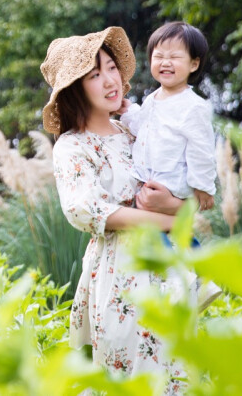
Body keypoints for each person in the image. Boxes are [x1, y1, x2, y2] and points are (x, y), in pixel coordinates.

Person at [42, 27, 187, 393]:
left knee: (180, 376)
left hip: (166, 270)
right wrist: (164, 220)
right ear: (76, 88)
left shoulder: (133, 132)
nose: (110, 80)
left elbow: (179, 188)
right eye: (94, 74)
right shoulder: (72, 147)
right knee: (133, 379)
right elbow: (86, 209)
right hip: (121, 276)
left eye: (110, 67)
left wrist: (175, 209)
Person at [119, 21, 217, 213]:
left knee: (170, 236)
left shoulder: (193, 106)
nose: (165, 62)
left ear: (194, 64)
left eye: (174, 57)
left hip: (174, 187)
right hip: (146, 184)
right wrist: (128, 111)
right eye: (159, 56)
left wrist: (203, 187)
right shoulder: (152, 98)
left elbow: (202, 149)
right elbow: (143, 127)